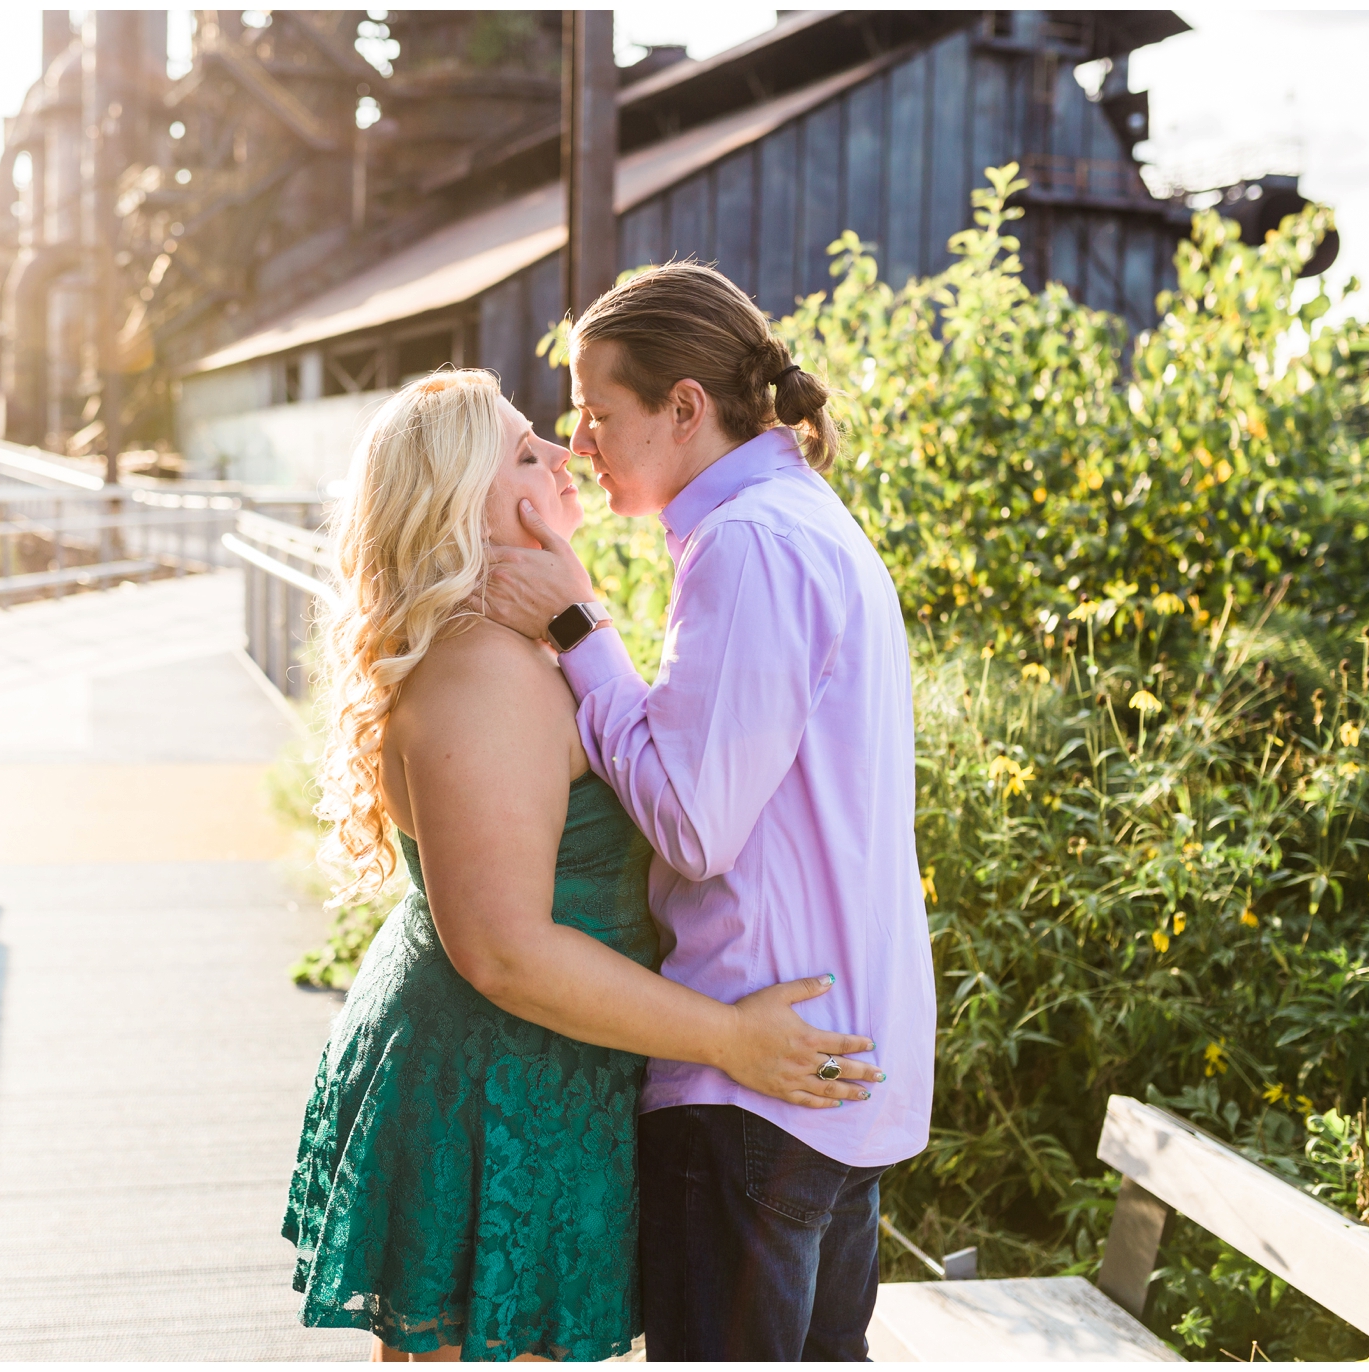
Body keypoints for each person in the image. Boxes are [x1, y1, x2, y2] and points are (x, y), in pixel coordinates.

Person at [282, 368, 885, 1363]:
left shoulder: (517, 642)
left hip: (544, 1064)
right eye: (524, 451)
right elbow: (505, 950)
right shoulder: (481, 671)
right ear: (451, 499)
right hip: (495, 1075)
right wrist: (730, 1039)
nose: (564, 454)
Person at [482, 263, 936, 1362]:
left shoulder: (746, 545)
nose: (579, 442)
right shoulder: (800, 521)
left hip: (753, 1079)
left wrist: (581, 632)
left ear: (683, 407)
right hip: (828, 1065)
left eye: (598, 413)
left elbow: (692, 822)